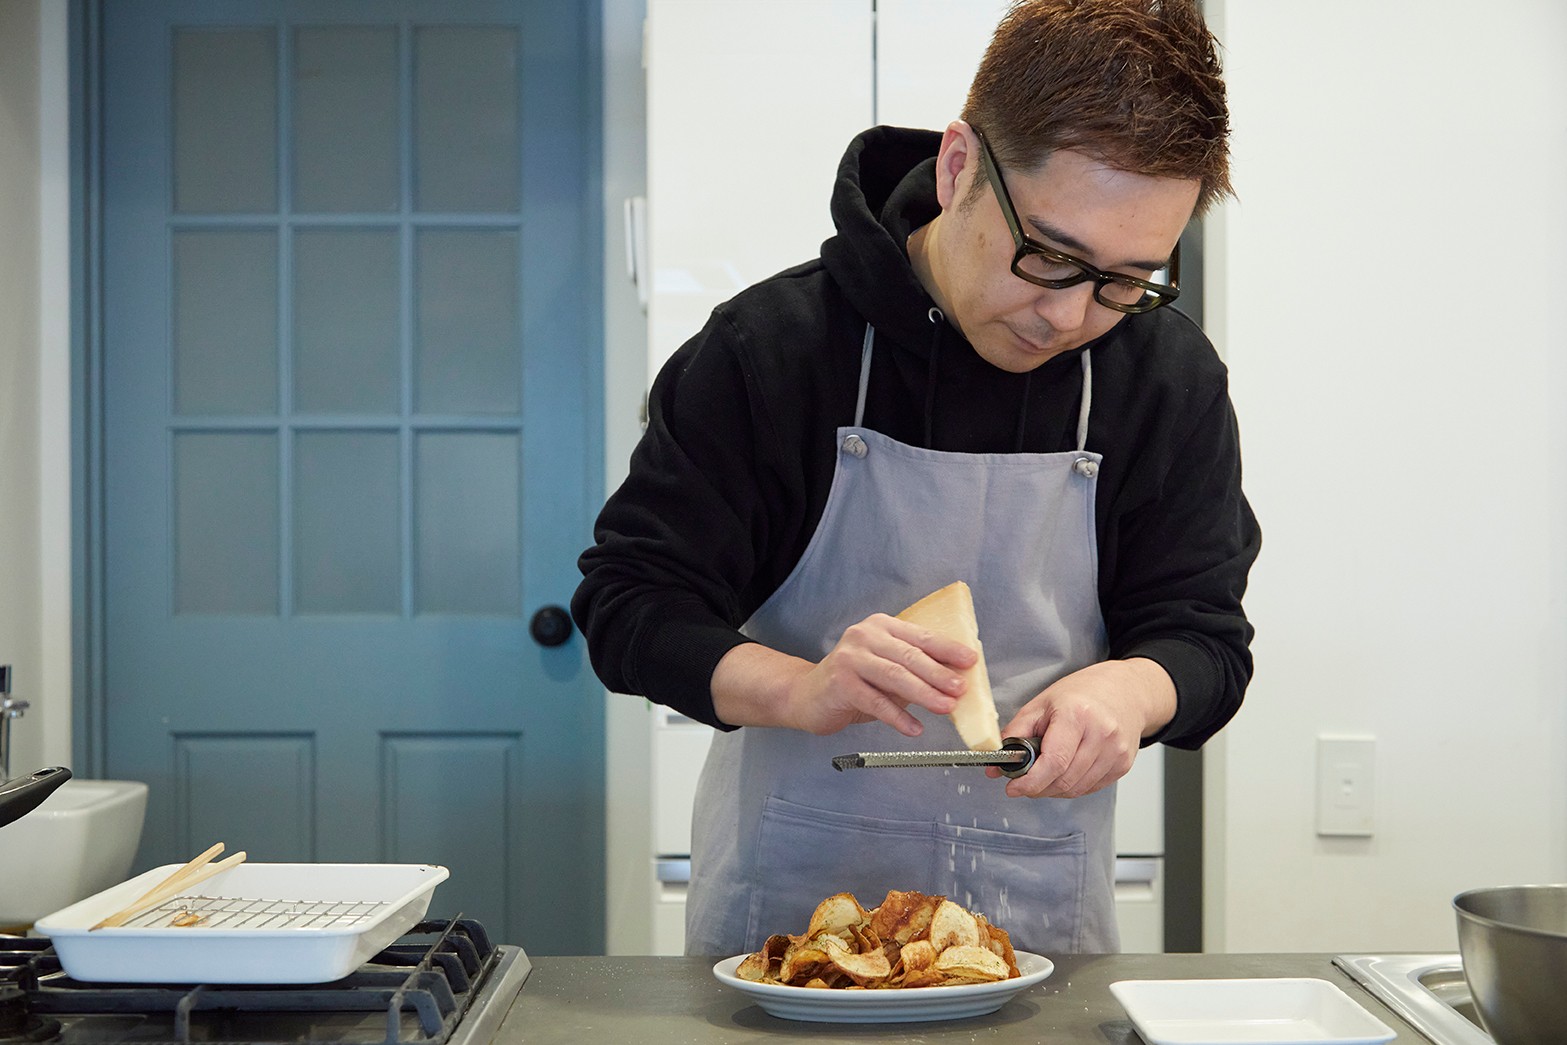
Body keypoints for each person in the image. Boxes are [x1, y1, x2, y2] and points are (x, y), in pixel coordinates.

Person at [573, 0, 1259, 957]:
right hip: (791, 937)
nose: (1069, 316)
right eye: (1051, 257)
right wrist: (801, 690)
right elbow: (627, 606)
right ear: (957, 167)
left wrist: (1130, 694)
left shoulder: (1164, 379)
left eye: (1126, 280)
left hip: (1038, 929)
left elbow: (1203, 638)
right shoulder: (770, 352)